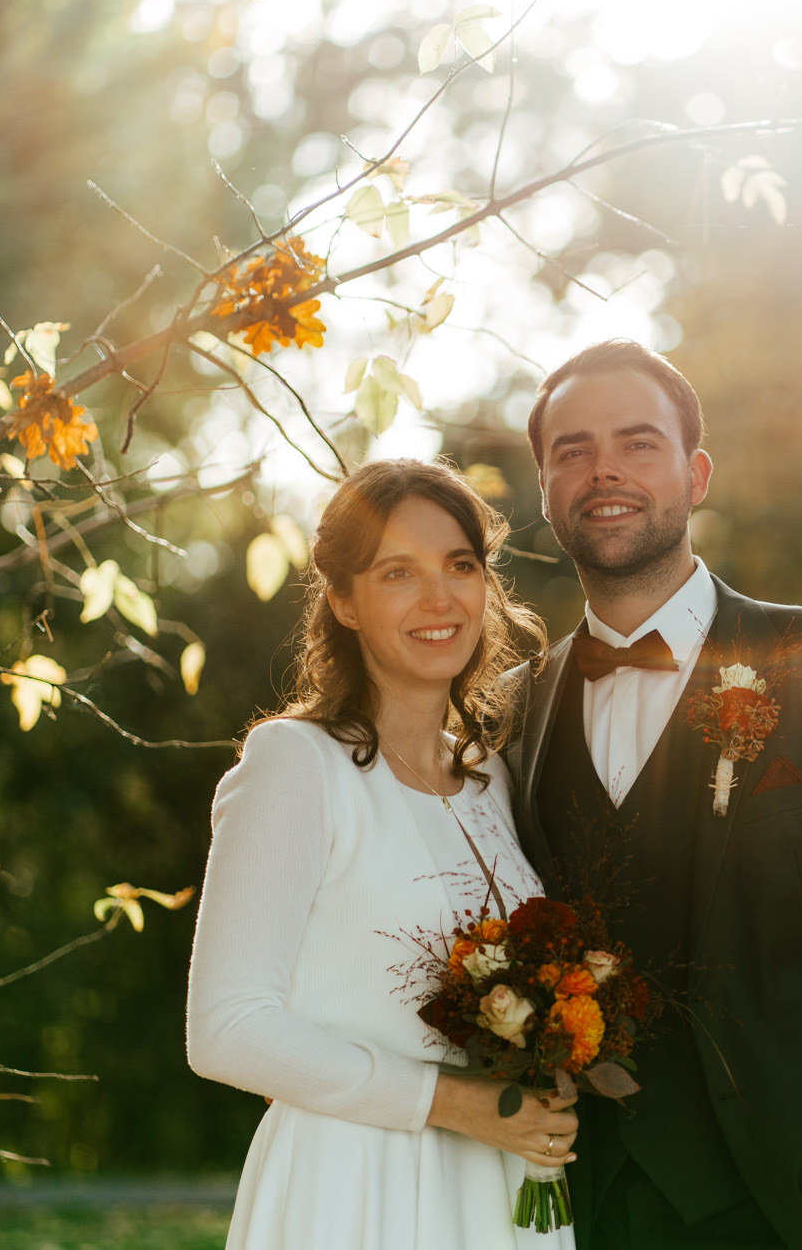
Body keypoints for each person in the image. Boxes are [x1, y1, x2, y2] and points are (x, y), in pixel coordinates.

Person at [505, 340, 802, 1250]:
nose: (603, 468)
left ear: (695, 475)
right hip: (570, 1211)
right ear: (543, 489)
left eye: (638, 442)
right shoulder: (510, 712)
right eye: (571, 449)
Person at [187, 459, 579, 1250]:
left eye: (460, 565)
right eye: (399, 572)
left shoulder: (488, 778)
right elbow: (225, 1028)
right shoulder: (295, 763)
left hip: (495, 1187)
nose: (440, 598)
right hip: (353, 1185)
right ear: (342, 600)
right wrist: (455, 1103)